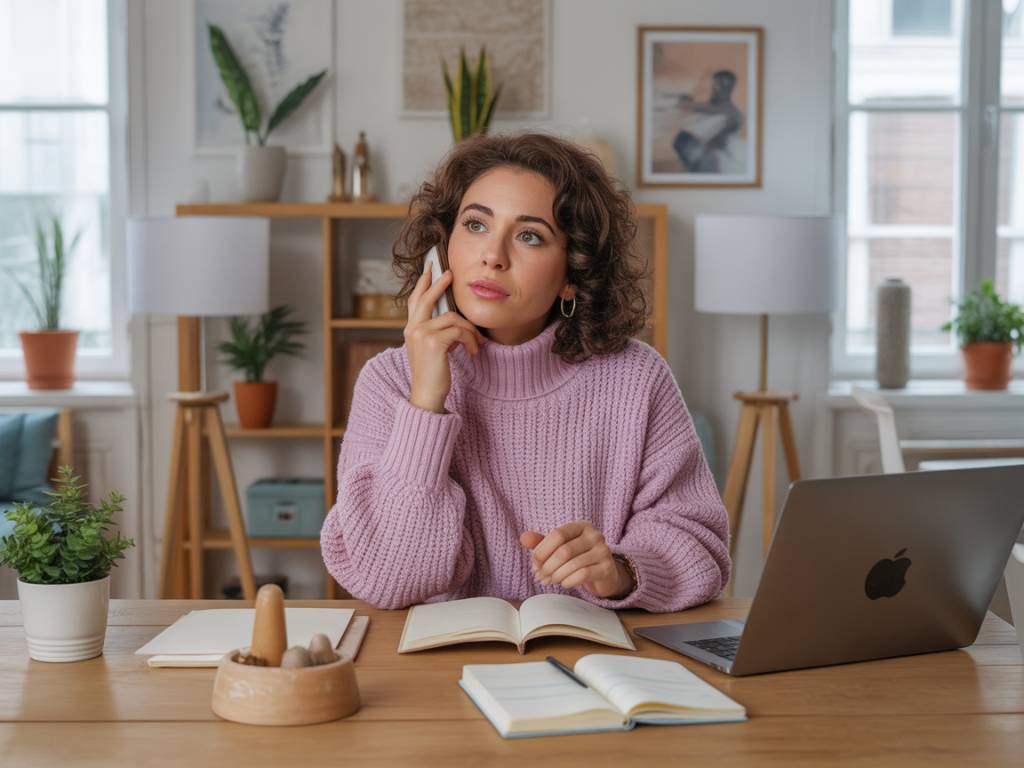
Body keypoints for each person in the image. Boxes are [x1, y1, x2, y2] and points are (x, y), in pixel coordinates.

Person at [320, 132, 730, 611]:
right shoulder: (390, 381)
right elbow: (386, 579)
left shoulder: (637, 378)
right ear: (443, 247)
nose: (493, 255)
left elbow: (701, 549)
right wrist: (426, 402)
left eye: (529, 235)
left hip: (595, 649)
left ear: (572, 275)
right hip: (444, 653)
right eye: (475, 225)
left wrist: (619, 570)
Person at [672, 69, 744, 173]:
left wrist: (685, 104)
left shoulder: (730, 112)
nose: (713, 88)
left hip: (711, 161)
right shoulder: (718, 109)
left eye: (717, 85)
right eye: (713, 84)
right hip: (701, 159)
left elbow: (708, 108)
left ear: (726, 87)